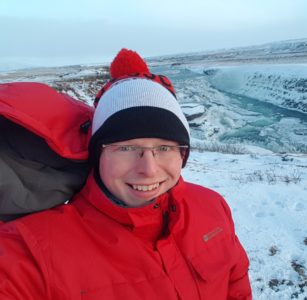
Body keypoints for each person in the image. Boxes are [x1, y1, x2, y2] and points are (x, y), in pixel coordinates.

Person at [0, 49, 251, 299]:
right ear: (97, 154)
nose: (149, 169)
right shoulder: (33, 251)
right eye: (127, 148)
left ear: (182, 154)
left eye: (164, 148)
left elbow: (235, 281)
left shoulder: (212, 206)